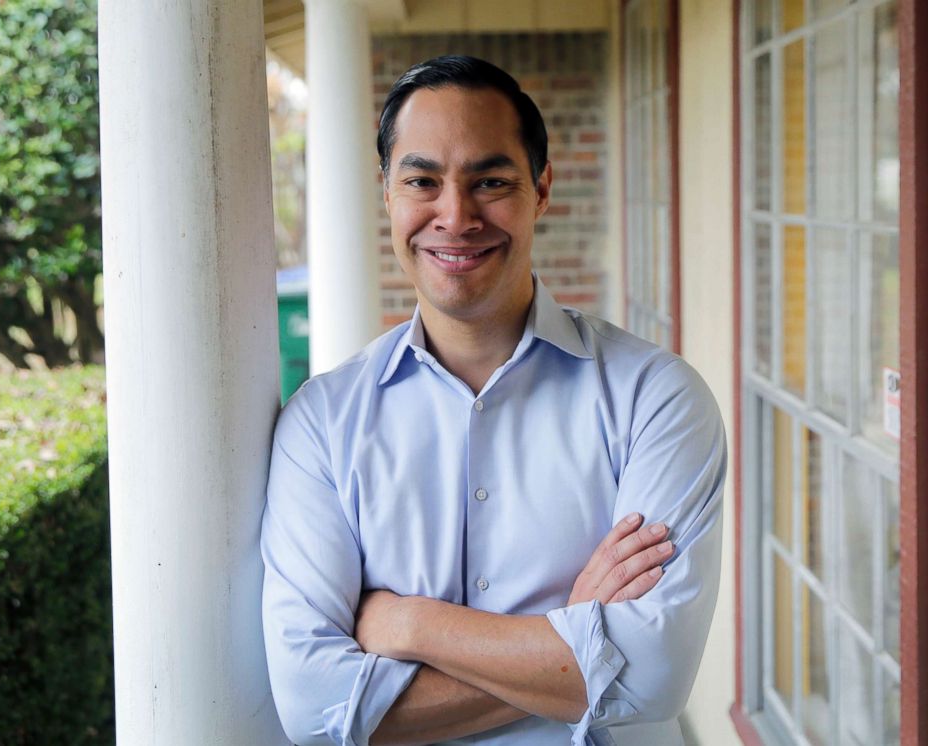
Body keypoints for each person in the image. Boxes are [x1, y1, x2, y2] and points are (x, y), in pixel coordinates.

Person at [261, 55, 726, 746]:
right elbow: (313, 708)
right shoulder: (322, 425)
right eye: (422, 180)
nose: (455, 215)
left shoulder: (655, 399)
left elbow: (649, 679)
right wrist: (571, 642)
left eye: (491, 181)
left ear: (540, 189)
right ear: (386, 192)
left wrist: (410, 625)